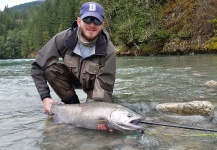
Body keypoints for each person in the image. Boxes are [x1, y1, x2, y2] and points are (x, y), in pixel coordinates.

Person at [31, 2, 116, 130]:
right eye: (87, 19)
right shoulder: (63, 39)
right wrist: (45, 97)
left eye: (97, 21)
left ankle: (85, 112)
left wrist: (99, 115)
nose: (92, 25)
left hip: (94, 84)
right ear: (78, 21)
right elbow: (37, 66)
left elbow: (104, 86)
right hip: (72, 76)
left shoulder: (108, 50)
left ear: (102, 25)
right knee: (49, 69)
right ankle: (73, 106)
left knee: (98, 119)